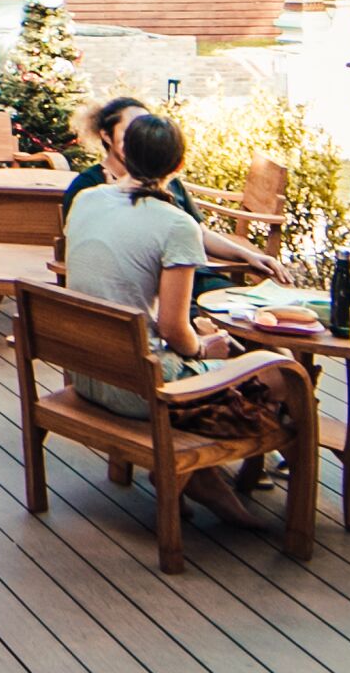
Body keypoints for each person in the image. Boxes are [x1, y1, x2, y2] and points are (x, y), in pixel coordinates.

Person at [58, 109, 303, 485]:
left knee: (232, 350)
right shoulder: (175, 224)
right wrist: (205, 349)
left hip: (86, 370)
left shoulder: (87, 199)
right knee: (284, 374)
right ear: (180, 164)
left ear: (125, 153)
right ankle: (273, 479)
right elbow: (173, 329)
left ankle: (209, 484)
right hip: (138, 389)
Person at [64, 95, 281, 289]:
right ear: (107, 137)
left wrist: (248, 255)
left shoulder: (169, 184)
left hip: (194, 277)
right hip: (155, 291)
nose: (144, 138)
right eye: (135, 132)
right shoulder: (89, 190)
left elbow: (200, 232)